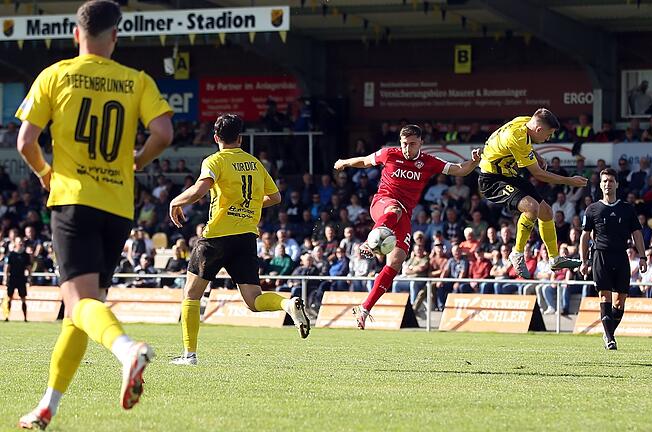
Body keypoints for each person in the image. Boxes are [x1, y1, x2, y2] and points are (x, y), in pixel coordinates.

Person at [15, 1, 174, 428]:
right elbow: (163, 133)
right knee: (82, 312)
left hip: (73, 199)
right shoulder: (135, 80)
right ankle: (48, 405)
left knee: (79, 302)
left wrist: (46, 174)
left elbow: (25, 143)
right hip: (118, 207)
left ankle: (127, 351)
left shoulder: (56, 75)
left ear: (75, 34)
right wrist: (138, 161)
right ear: (115, 36)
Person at [168, 114, 310, 365]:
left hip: (217, 236)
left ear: (215, 138)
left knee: (191, 295)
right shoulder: (255, 163)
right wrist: (251, 207)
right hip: (246, 237)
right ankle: (287, 305)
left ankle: (189, 355)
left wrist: (176, 201)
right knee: (254, 300)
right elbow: (275, 197)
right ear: (240, 137)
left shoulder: (215, 160)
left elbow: (200, 190)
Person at [333, 124, 482, 329]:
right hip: (383, 205)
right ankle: (369, 242)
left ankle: (365, 309)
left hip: (403, 216)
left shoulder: (429, 162)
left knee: (397, 260)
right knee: (394, 210)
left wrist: (474, 162)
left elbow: (459, 170)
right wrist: (344, 162)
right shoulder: (389, 154)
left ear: (421, 143)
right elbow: (366, 161)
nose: (407, 148)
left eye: (412, 144)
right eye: (404, 144)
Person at [477, 108, 586, 279]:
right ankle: (517, 253)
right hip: (492, 179)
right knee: (531, 208)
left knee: (546, 212)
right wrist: (569, 180)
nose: (548, 139)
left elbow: (523, 147)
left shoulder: (525, 121)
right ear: (539, 129)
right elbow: (539, 174)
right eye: (548, 135)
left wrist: (535, 154)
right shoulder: (517, 137)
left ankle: (555, 259)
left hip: (507, 174)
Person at [579, 168, 647, 350]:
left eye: (610, 181)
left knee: (620, 301)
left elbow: (637, 234)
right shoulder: (592, 209)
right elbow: (585, 236)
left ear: (616, 184)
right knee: (605, 296)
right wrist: (584, 261)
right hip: (601, 256)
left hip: (621, 256)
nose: (607, 184)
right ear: (600, 185)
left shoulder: (626, 209)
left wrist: (642, 257)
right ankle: (610, 338)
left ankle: (608, 332)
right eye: (604, 181)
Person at [2, 236, 31, 322]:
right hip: (12, 279)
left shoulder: (25, 255)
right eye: (19, 242)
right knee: (9, 298)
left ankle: (25, 318)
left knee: (23, 299)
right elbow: (7, 267)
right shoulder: (11, 254)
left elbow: (28, 267)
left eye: (21, 241)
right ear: (15, 243)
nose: (21, 243)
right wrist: (5, 278)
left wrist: (29, 278)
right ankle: (7, 317)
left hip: (21, 279)